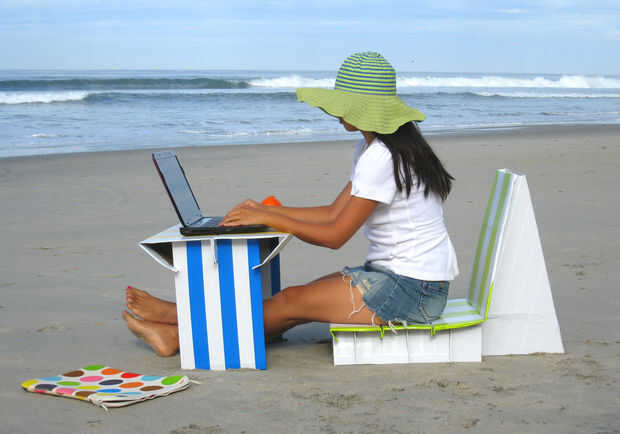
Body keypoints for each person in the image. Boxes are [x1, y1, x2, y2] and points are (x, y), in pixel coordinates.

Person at [123, 52, 459, 357]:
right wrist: (267, 212)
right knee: (291, 305)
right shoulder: (377, 149)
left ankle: (176, 323)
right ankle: (177, 332)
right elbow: (332, 212)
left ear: (365, 109)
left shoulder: (382, 157)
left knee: (290, 301)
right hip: (403, 280)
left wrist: (273, 219)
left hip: (410, 291)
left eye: (345, 103)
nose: (336, 111)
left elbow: (335, 235)